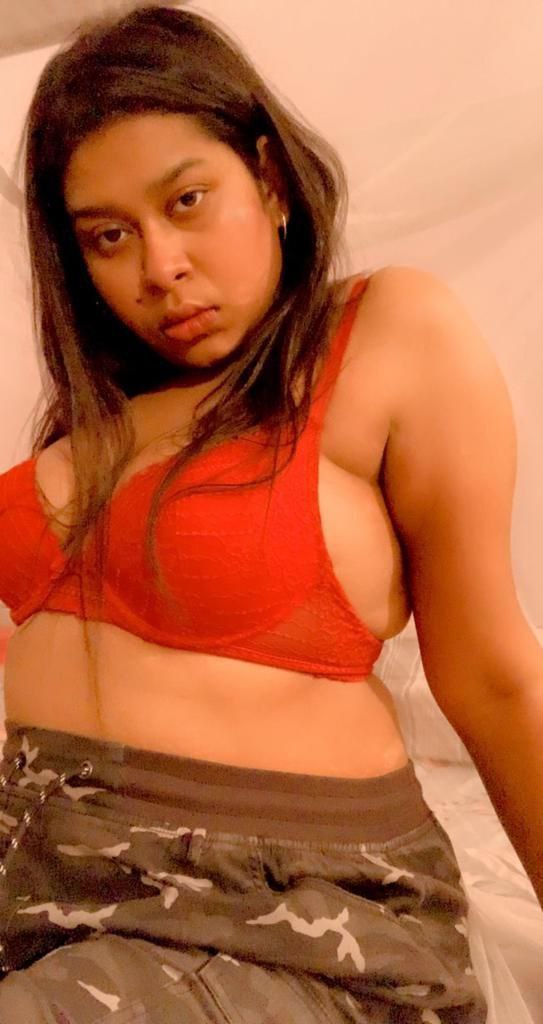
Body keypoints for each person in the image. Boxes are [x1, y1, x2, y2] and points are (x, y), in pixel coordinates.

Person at [0, 4, 541, 1021]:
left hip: (264, 910)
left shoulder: (379, 335)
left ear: (271, 179)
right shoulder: (103, 418)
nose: (160, 265)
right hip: (38, 888)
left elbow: (495, 677)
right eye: (109, 237)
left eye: (187, 201)